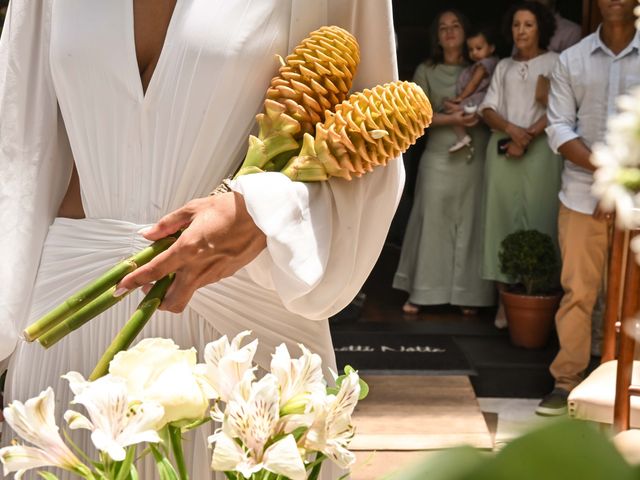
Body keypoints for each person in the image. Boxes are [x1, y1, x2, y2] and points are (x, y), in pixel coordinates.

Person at [0, 0, 403, 478]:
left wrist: (262, 210)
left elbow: (370, 137)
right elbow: (19, 148)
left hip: (239, 325)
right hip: (66, 316)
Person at [537, 0, 640, 416]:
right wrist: (607, 176)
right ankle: (567, 383)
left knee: (634, 301)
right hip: (582, 196)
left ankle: (627, 387)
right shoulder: (572, 58)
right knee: (578, 293)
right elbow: (559, 127)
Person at [393, 9, 495, 317]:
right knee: (433, 221)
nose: (449, 31)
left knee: (470, 222)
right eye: (443, 28)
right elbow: (413, 116)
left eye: (455, 26)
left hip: (473, 154)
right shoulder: (427, 69)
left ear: (466, 32)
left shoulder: (480, 67)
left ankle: (468, 294)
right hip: (438, 155)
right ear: (436, 36)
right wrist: (452, 118)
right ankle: (424, 291)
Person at [479, 1, 563, 328]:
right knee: (499, 223)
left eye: (528, 24)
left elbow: (561, 108)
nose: (521, 31)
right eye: (516, 25)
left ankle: (539, 301)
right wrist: (512, 131)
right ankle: (505, 303)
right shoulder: (503, 66)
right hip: (503, 152)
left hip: (541, 154)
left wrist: (526, 136)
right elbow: (487, 109)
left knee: (542, 219)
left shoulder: (557, 62)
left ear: (541, 27)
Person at [444, 27, 499, 155]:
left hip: (478, 99)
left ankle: (462, 137)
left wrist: (461, 97)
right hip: (478, 100)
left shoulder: (485, 64)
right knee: (451, 109)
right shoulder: (484, 63)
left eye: (479, 48)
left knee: (452, 110)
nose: (474, 52)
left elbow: (474, 83)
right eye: (471, 50)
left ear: (491, 48)